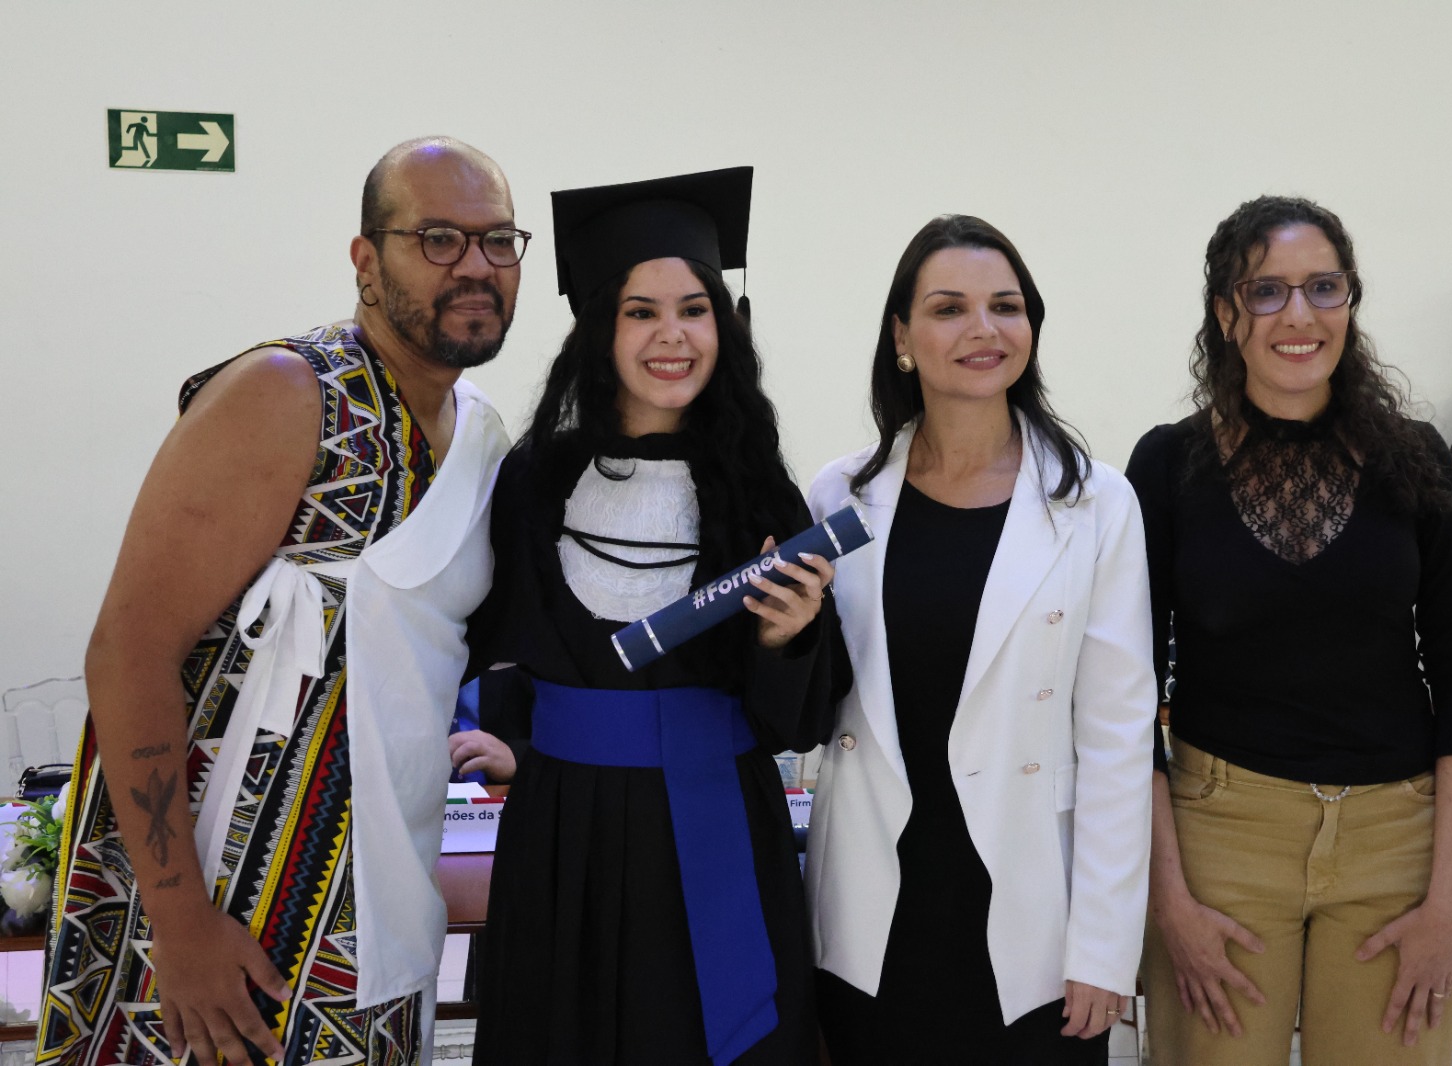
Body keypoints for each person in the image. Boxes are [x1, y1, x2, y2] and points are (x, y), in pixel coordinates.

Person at [35, 136, 523, 1066]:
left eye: (498, 240)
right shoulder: (289, 393)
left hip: (381, 892)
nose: (475, 266)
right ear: (366, 259)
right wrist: (181, 924)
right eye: (438, 238)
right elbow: (128, 652)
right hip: (231, 901)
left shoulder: (481, 437)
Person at [463, 167, 837, 1066]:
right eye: (641, 312)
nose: (673, 335)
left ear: (723, 326)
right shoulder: (533, 481)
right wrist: (516, 741)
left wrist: (786, 638)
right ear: (600, 329)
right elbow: (494, 643)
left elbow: (803, 719)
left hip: (718, 823)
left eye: (694, 310)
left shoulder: (759, 487)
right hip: (565, 833)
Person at [1128, 195, 1452, 1066]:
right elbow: (1125, 693)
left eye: (1323, 287)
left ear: (1350, 300)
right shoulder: (1168, 465)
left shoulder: (1416, 456)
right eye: (1266, 291)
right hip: (1220, 838)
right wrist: (1167, 899)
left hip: (1396, 843)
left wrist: (1450, 902)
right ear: (1225, 313)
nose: (1299, 315)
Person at [805, 214, 1154, 1065]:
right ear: (901, 337)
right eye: (949, 308)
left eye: (1005, 306)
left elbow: (1118, 736)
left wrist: (1104, 948)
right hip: (874, 899)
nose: (983, 329)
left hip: (1032, 907)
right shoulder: (838, 497)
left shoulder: (1097, 503)